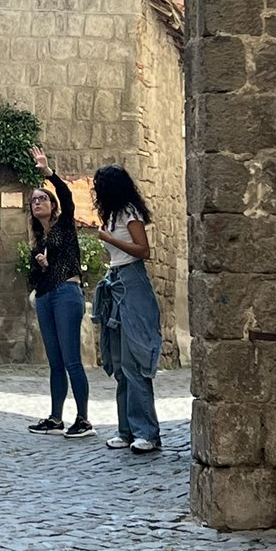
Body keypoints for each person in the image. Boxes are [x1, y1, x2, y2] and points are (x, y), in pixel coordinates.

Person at [91, 165, 163, 454]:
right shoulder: (111, 215)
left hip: (132, 281)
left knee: (135, 362)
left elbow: (143, 250)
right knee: (120, 364)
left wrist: (110, 240)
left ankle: (147, 431)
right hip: (117, 280)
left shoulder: (129, 212)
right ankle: (126, 429)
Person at [25, 146, 93, 439]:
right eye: (33, 201)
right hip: (45, 297)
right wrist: (40, 264)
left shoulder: (64, 225)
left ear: (52, 205)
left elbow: (66, 195)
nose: (38, 202)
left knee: (71, 359)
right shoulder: (37, 240)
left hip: (67, 292)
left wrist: (47, 172)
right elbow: (31, 277)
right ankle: (55, 417)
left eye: (42, 199)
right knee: (54, 362)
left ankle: (83, 419)